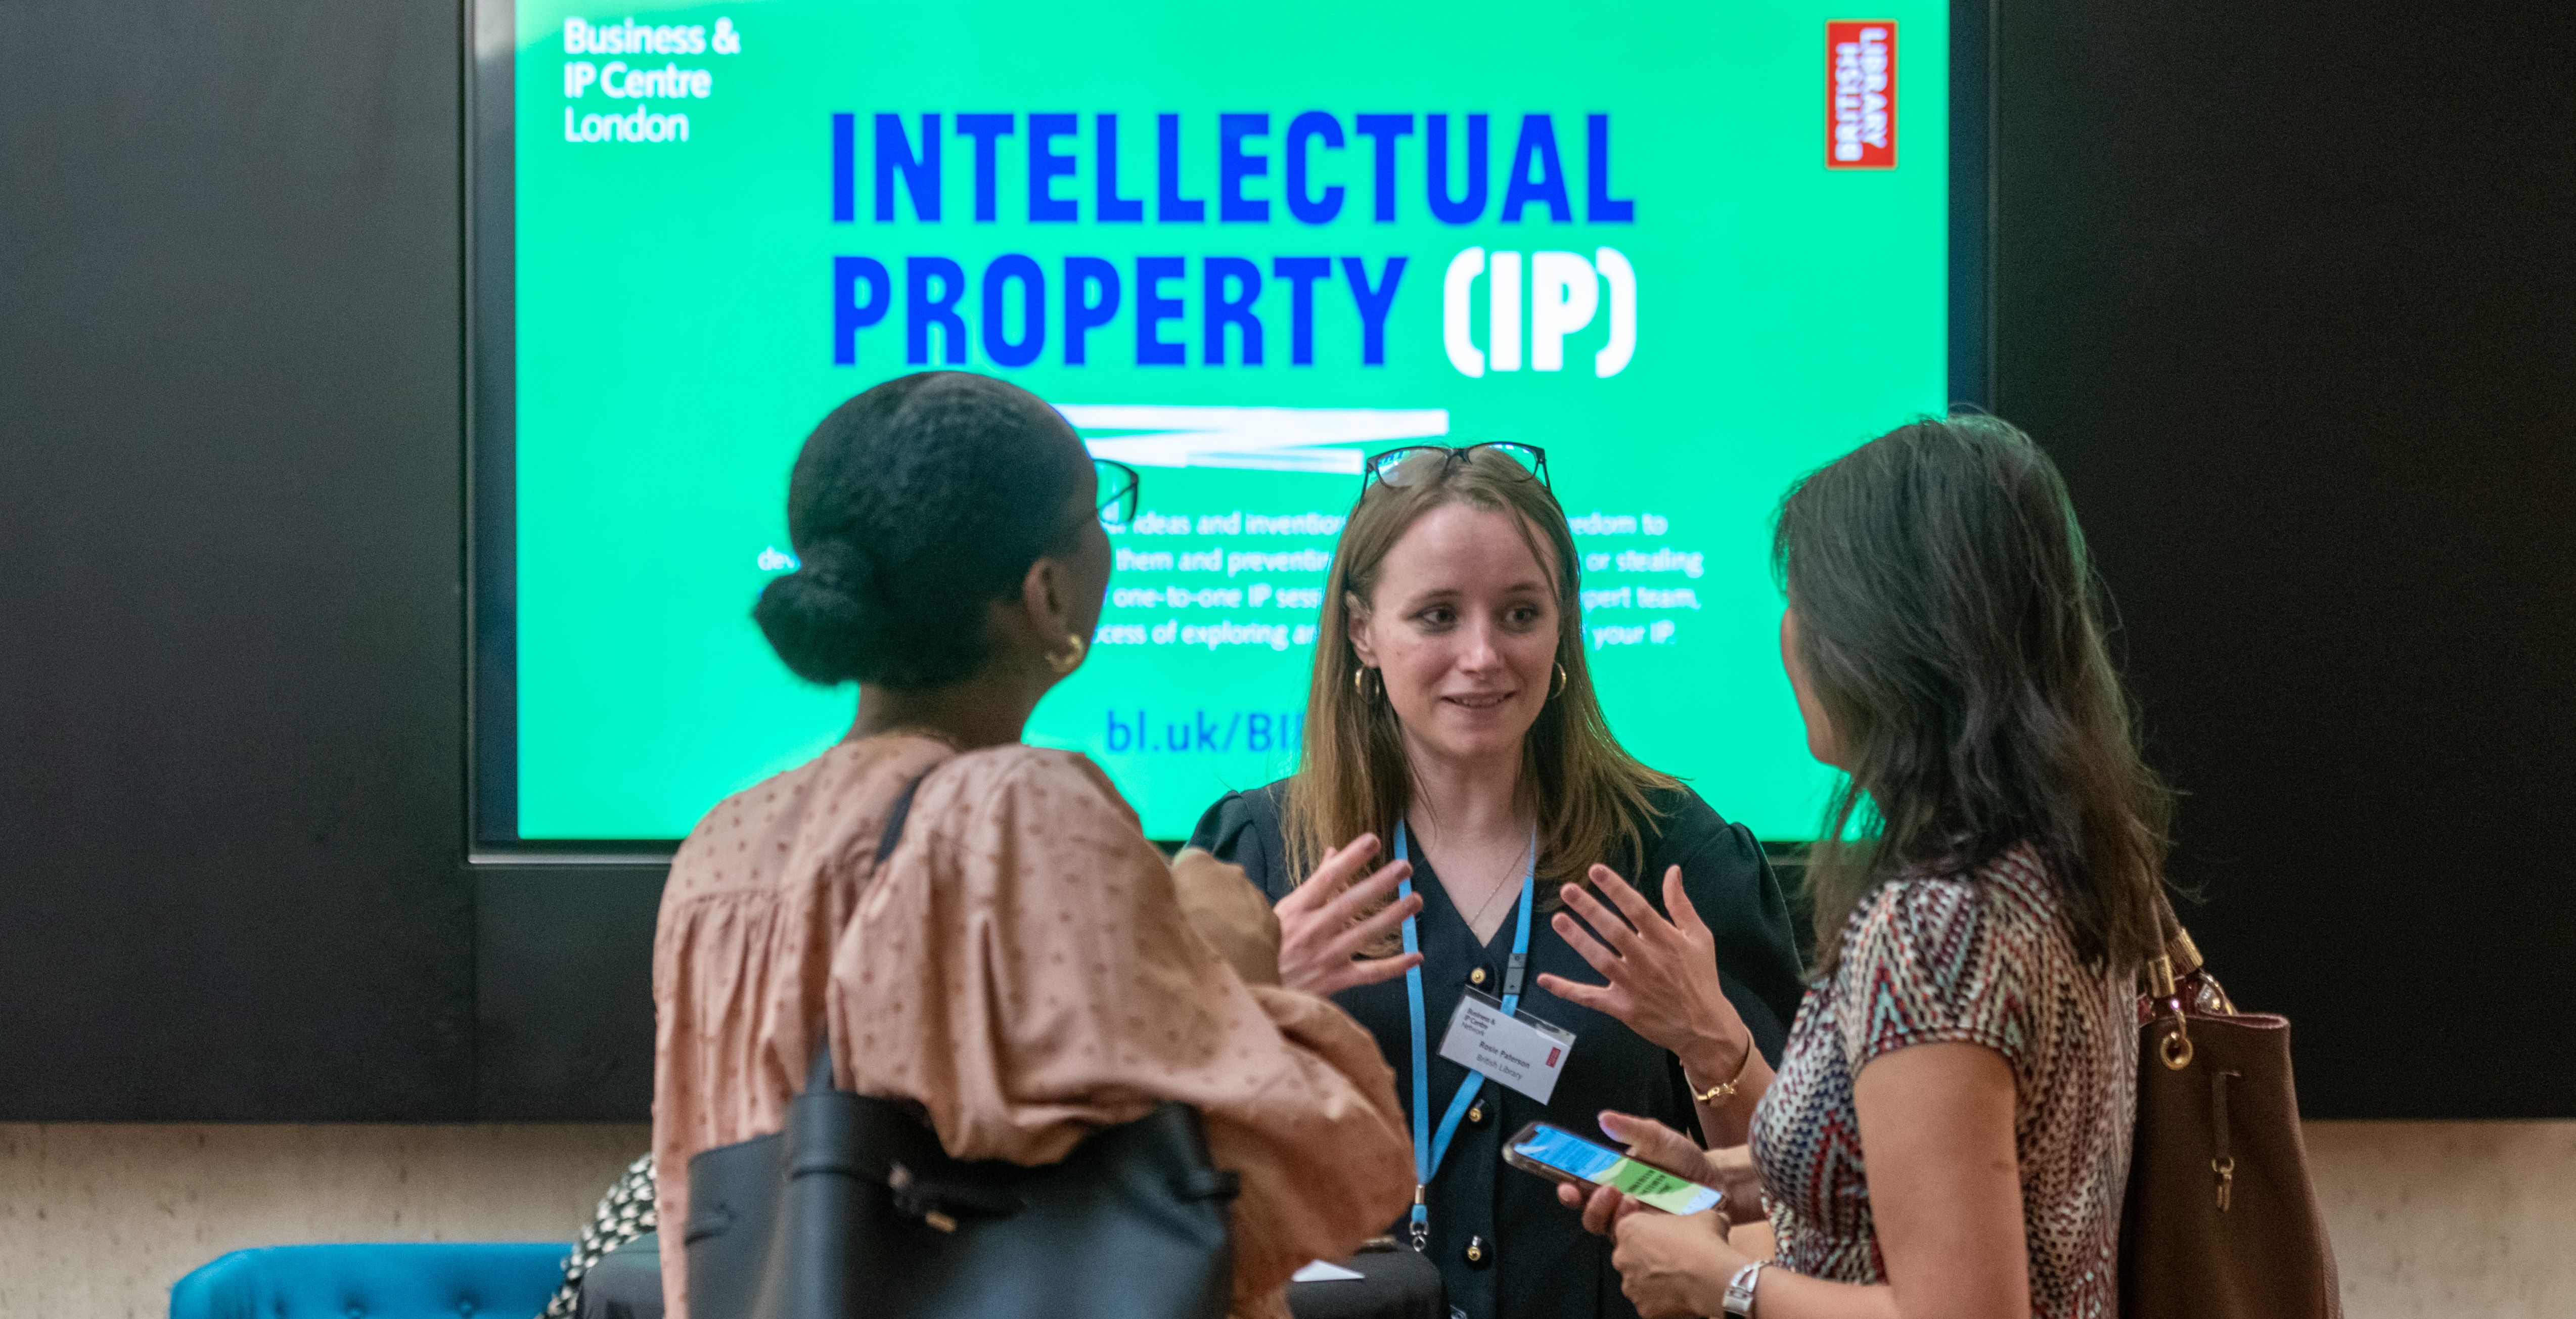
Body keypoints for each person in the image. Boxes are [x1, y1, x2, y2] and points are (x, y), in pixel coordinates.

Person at [652, 372, 1413, 1319]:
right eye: (1101, 511)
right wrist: (1239, 966)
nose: (1112, 539)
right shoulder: (1019, 816)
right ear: (1047, 594)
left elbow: (703, 1224)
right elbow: (1329, 1176)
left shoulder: (721, 849)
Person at [1565, 415, 2168, 1319]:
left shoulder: (1935, 924)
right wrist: (1721, 1178)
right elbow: (1926, 1169)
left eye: (1806, 599)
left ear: (1885, 637)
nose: (1790, 633)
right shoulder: (2054, 862)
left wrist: (1719, 1281)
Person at [1190, 442, 1809, 1319]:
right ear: (1363, 631)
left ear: (1563, 627)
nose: (1482, 654)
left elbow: (1810, 1202)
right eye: (1438, 615)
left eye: (1520, 613)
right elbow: (1152, 1175)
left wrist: (1713, 1045)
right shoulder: (1261, 856)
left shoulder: (1673, 856)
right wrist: (1243, 1012)